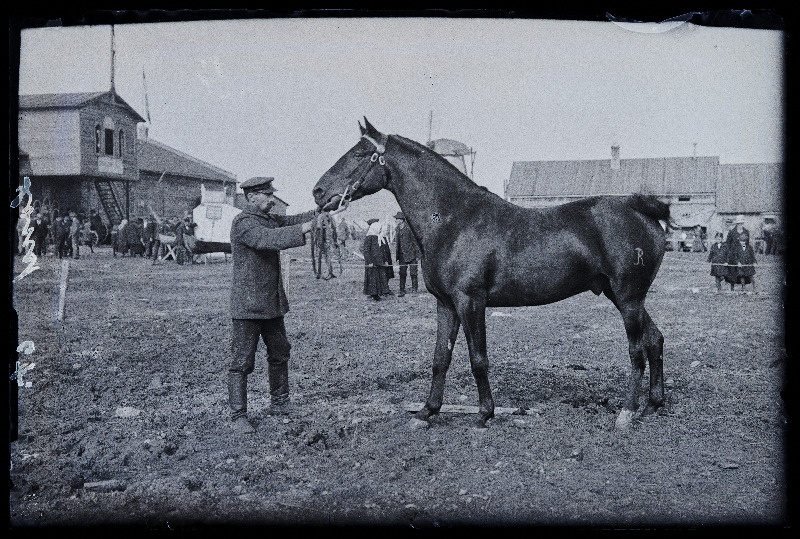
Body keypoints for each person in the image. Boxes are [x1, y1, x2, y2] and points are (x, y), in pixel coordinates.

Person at [228, 176, 317, 434]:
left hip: (271, 304)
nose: (272, 199)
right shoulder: (244, 223)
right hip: (248, 307)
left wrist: (323, 210)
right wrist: (307, 228)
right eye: (267, 195)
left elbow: (291, 220)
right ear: (252, 197)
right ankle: (238, 416)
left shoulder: (267, 218)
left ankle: (279, 403)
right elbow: (269, 239)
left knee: (280, 352)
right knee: (242, 361)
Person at [393, 211, 420, 296]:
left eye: (397, 219)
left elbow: (415, 242)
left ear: (401, 220)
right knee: (402, 273)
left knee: (413, 273)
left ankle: (414, 289)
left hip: (412, 254)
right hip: (401, 255)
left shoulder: (409, 228)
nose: (396, 220)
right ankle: (402, 290)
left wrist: (418, 255)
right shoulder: (397, 229)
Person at [378, 220, 394, 295]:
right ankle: (383, 290)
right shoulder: (379, 238)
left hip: (388, 258)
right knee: (383, 274)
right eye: (385, 230)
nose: (386, 231)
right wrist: (385, 260)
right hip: (384, 259)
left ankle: (386, 288)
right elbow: (381, 251)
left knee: (387, 274)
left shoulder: (385, 238)